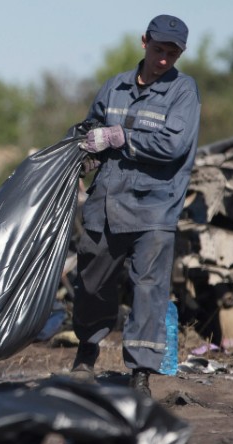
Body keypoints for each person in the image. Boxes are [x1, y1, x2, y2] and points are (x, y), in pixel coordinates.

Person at [69, 15, 201, 398]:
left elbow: (173, 146)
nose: (163, 59)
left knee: (149, 288)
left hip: (154, 208)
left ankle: (140, 374)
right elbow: (89, 129)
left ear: (181, 53)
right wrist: (83, 151)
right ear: (144, 42)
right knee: (92, 282)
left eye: (172, 53)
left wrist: (119, 136)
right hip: (106, 205)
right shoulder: (114, 87)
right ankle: (86, 352)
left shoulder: (183, 91)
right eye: (158, 49)